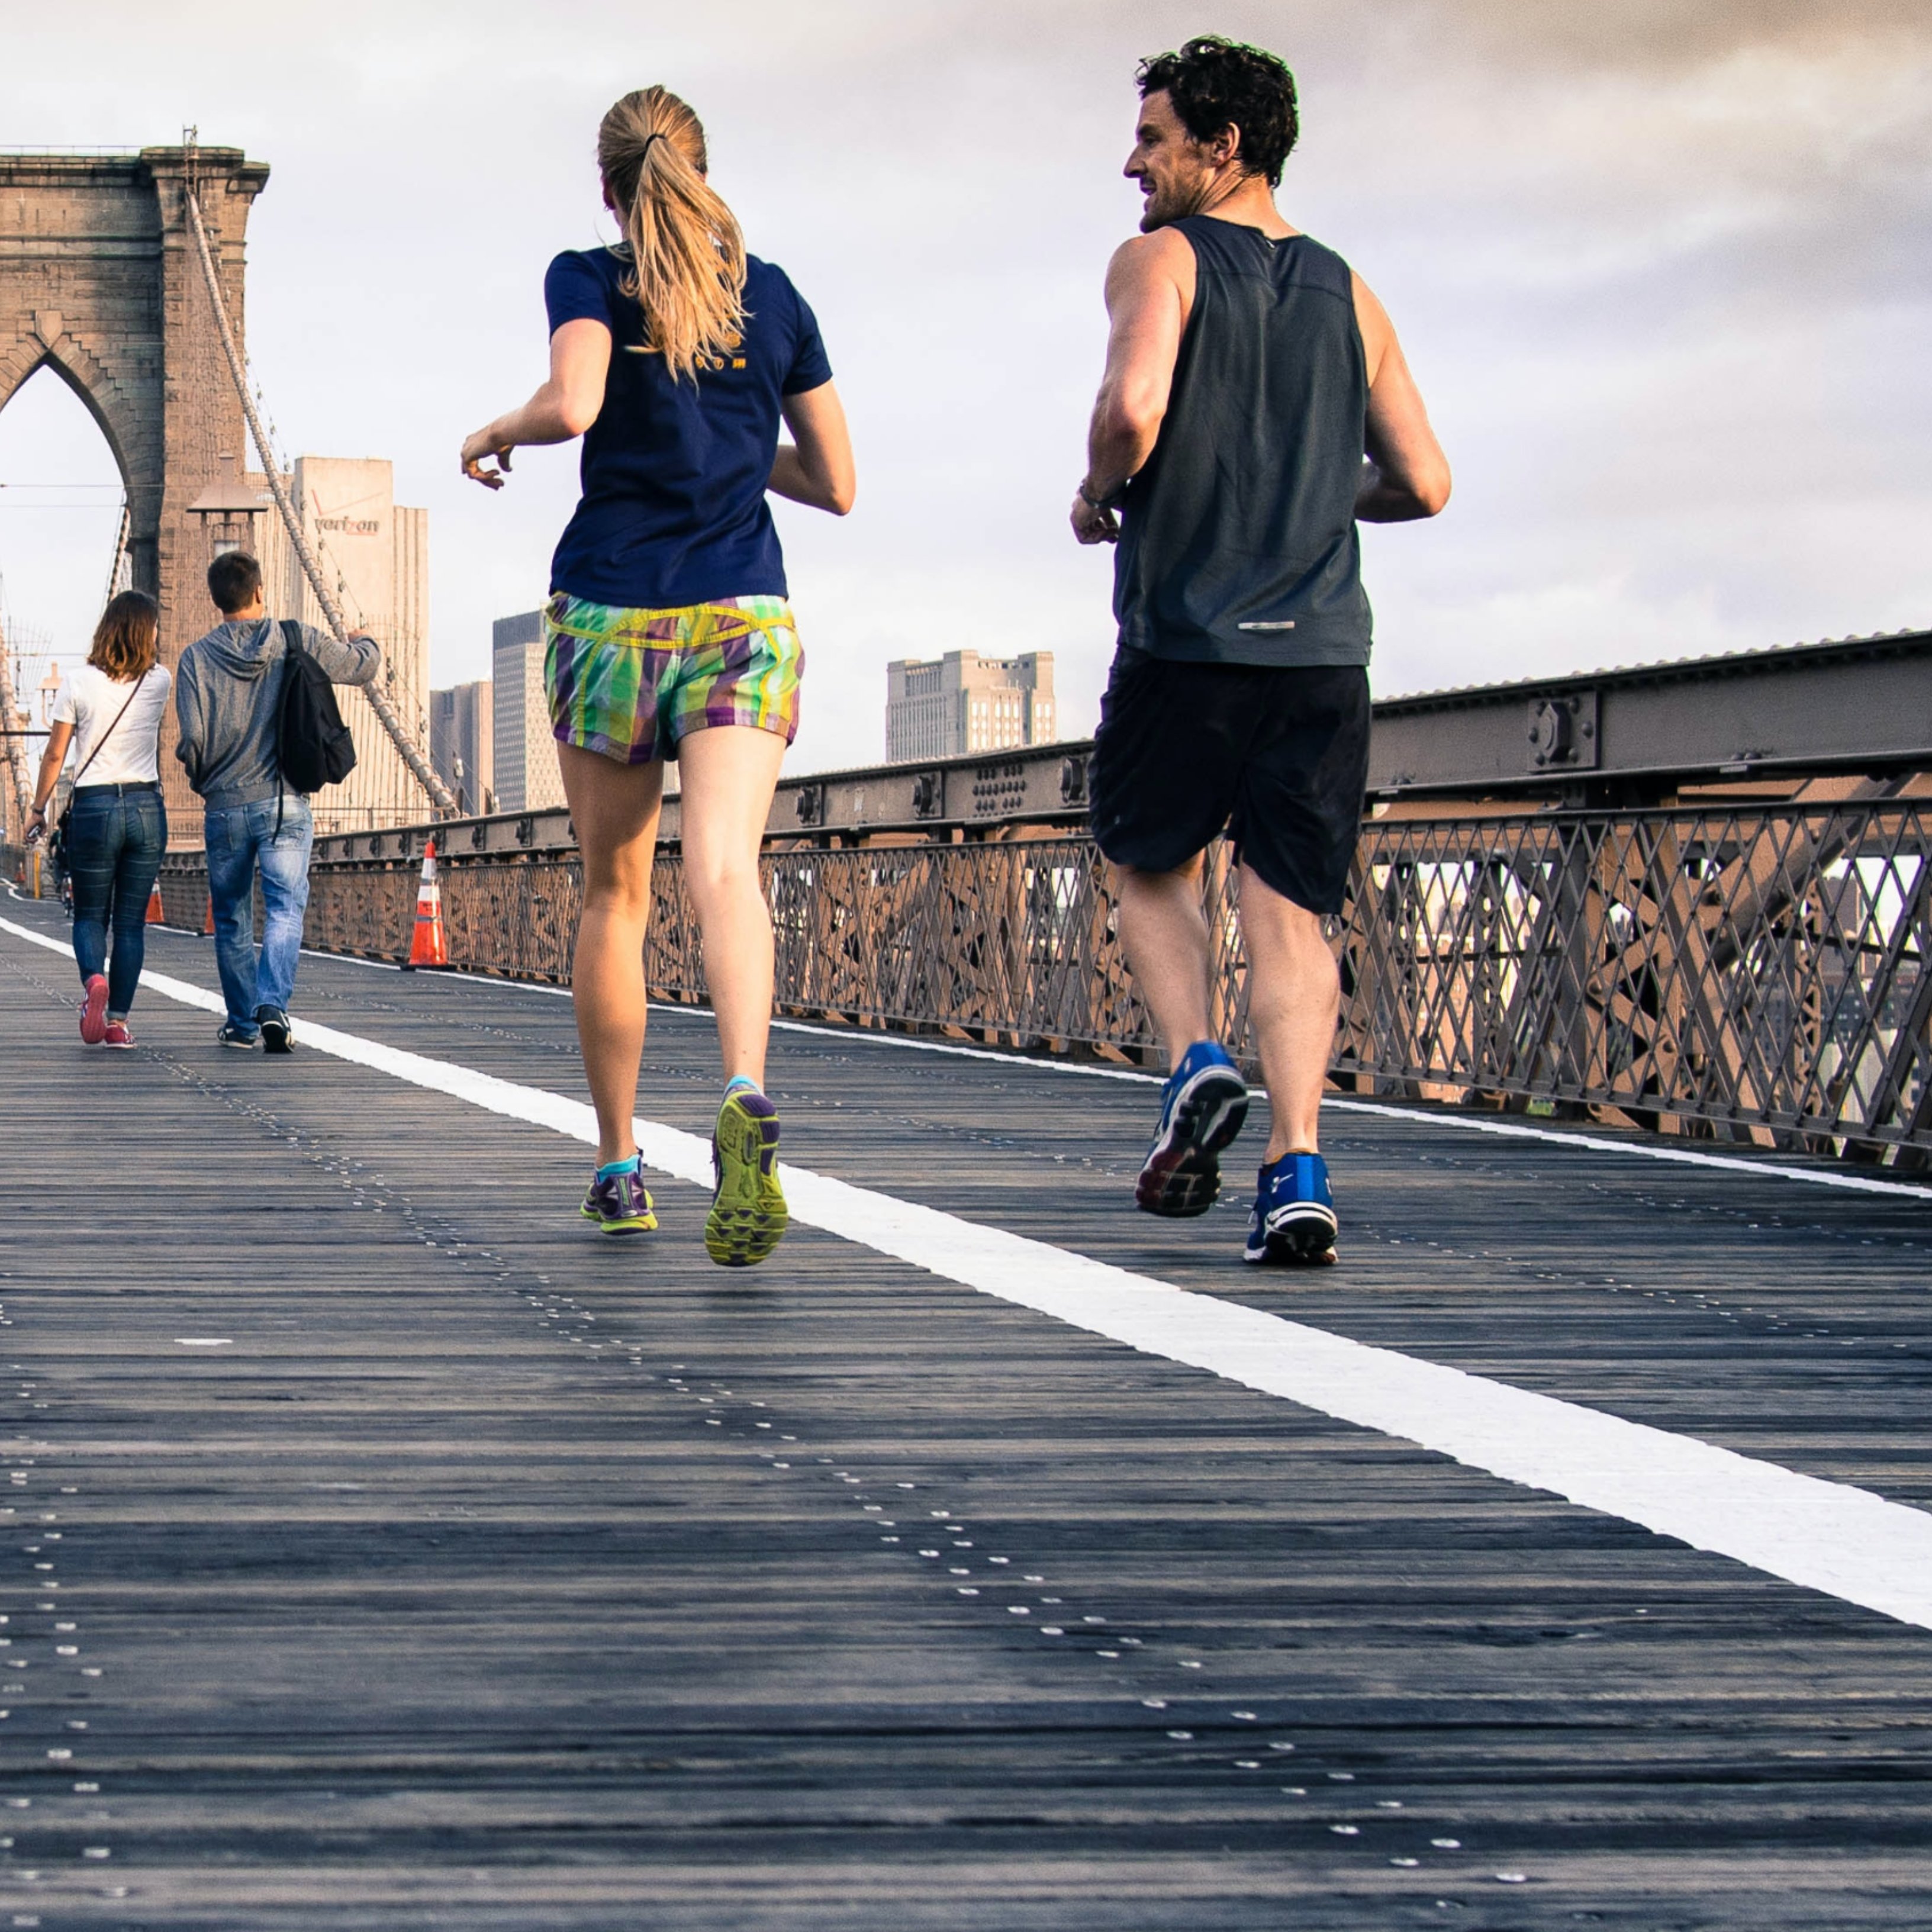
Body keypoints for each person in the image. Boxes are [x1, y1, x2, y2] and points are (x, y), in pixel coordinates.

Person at [1072, 37, 1450, 1266]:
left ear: (1219, 148)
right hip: (1325, 654)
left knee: (1146, 861)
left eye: (1153, 139)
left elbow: (1133, 410)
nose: (1132, 163)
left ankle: (1194, 1065)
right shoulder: (1353, 291)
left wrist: (1100, 491)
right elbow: (1426, 483)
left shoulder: (1162, 259)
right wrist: (1310, 497)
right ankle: (1296, 1169)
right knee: (1291, 916)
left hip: (1189, 635)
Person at [460, 86, 854, 1263]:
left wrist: (495, 431)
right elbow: (836, 482)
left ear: (609, 188)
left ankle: (622, 1167)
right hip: (743, 609)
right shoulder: (772, 296)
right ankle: (741, 1088)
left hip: (614, 614)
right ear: (698, 168)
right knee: (726, 870)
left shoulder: (587, 273)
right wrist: (738, 448)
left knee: (615, 897)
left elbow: (576, 403)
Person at [174, 550, 380, 1053]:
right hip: (284, 803)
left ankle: (243, 1024)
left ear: (215, 600)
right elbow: (362, 668)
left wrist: (208, 782)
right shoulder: (294, 637)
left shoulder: (195, 660)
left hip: (224, 806)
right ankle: (273, 1006)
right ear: (260, 592)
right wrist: (366, 640)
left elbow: (192, 741)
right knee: (286, 907)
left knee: (231, 917)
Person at [25, 591, 172, 1048]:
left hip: (94, 808)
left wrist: (38, 809)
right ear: (146, 632)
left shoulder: (78, 682)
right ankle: (119, 1024)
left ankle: (94, 982)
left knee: (90, 914)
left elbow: (55, 754)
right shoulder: (160, 680)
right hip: (147, 808)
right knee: (130, 923)